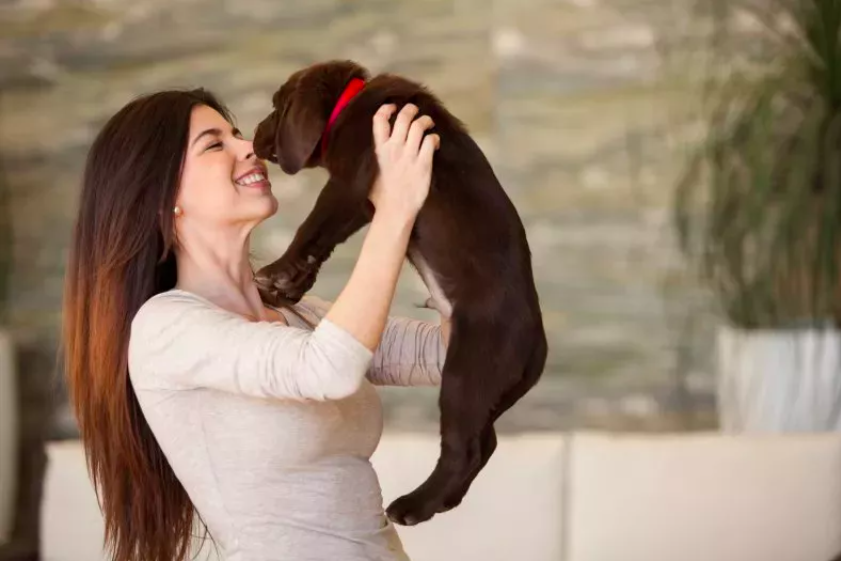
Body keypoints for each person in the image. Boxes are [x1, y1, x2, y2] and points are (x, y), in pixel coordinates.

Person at [61, 88, 450, 561]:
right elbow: (328, 368)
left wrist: (442, 213)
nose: (248, 147)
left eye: (237, 134)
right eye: (213, 143)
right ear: (164, 198)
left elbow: (451, 353)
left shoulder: (302, 316)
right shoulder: (165, 329)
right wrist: (392, 210)